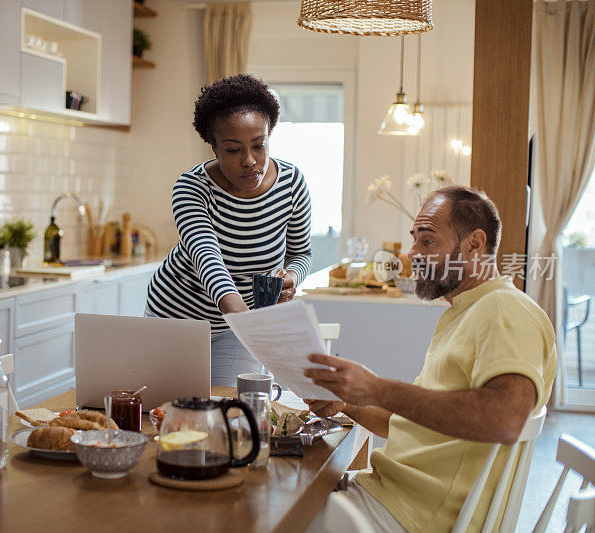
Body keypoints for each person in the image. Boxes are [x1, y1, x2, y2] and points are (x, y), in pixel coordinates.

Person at [304, 186, 557, 532]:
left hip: (412, 519)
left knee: (266, 513)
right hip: (389, 498)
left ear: (474, 244)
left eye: (427, 241)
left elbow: (505, 419)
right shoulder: (466, 312)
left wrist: (376, 388)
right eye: (414, 240)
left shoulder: (506, 309)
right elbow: (412, 420)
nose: (412, 253)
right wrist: (347, 401)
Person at [145, 74, 312, 386]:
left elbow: (301, 253)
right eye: (234, 150)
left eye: (259, 145)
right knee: (169, 412)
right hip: (175, 319)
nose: (250, 161)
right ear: (214, 148)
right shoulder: (192, 187)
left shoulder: (291, 182)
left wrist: (291, 278)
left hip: (237, 326)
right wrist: (243, 315)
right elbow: (206, 256)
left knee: (237, 409)